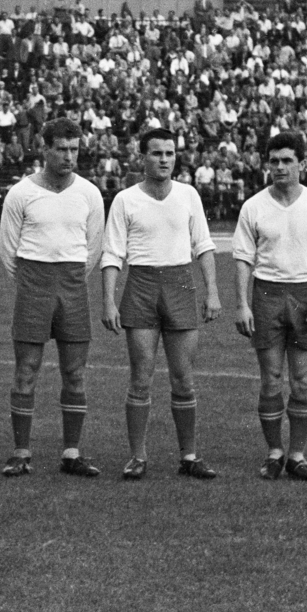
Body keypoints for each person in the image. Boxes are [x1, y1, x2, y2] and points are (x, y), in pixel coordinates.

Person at [100, 128, 221, 481]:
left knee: (183, 378)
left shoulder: (188, 195)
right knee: (141, 377)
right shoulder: (125, 199)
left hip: (180, 283)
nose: (164, 159)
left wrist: (212, 291)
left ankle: (190, 455)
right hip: (141, 285)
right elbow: (112, 253)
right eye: (156, 153)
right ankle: (137, 456)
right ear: (143, 158)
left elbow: (204, 245)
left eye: (169, 153)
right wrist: (108, 301)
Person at [0, 118, 106, 478]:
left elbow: (93, 248)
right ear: (44, 149)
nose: (69, 156)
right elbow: (8, 250)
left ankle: (71, 453)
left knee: (75, 373)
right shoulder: (21, 193)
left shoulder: (89, 193)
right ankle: (21, 452)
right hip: (34, 287)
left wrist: (70, 279)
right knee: (26, 371)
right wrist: (32, 282)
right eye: (61, 149)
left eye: (74, 149)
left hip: (73, 287)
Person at [231, 131, 307, 481]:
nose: (280, 167)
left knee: (303, 382)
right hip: (267, 295)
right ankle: (274, 452)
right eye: (274, 161)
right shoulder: (254, 206)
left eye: (287, 160)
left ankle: (298, 454)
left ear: (302, 164)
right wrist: (242, 304)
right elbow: (244, 259)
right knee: (270, 380)